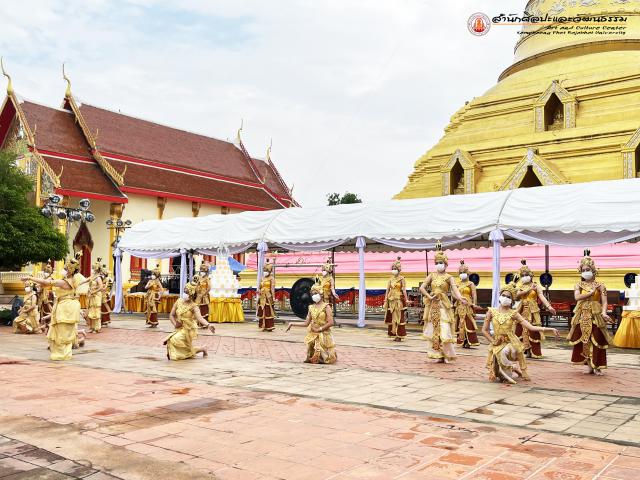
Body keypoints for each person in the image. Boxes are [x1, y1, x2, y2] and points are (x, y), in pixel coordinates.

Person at [482, 282, 559, 384]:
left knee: (502, 352)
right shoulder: (491, 312)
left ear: (512, 300)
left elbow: (530, 327)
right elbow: (484, 330)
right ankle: (512, 370)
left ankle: (511, 367)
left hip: (511, 343)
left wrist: (550, 329)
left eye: (508, 297)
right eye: (503, 295)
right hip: (496, 343)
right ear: (500, 296)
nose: (505, 298)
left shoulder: (514, 314)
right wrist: (493, 341)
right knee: (498, 375)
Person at [22, 253, 84, 360]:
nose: (63, 270)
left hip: (65, 307)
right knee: (61, 330)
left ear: (69, 270)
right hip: (63, 306)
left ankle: (62, 353)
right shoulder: (72, 280)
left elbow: (47, 282)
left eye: (65, 268)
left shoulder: (65, 282)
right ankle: (63, 351)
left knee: (62, 331)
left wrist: (30, 278)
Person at [419, 243, 468, 363]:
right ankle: (437, 353)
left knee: (444, 329)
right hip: (433, 305)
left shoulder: (449, 277)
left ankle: (447, 353)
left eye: (441, 263)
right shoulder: (432, 275)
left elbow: (455, 290)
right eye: (437, 263)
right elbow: (422, 288)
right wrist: (429, 296)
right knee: (433, 328)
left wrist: (461, 298)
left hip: (444, 305)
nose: (438, 265)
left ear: (446, 264)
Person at [567, 250, 613, 375]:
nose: (585, 272)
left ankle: (597, 365)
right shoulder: (578, 285)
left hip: (596, 314)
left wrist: (604, 312)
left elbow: (604, 302)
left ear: (593, 270)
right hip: (582, 315)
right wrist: (590, 293)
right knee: (584, 339)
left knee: (597, 339)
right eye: (583, 270)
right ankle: (588, 365)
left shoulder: (600, 285)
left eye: (587, 269)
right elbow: (577, 298)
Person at [286, 283, 337, 364]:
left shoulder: (326, 307)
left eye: (316, 293)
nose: (314, 296)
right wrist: (292, 324)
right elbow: (306, 323)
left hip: (323, 334)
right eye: (312, 294)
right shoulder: (311, 307)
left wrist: (319, 329)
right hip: (313, 333)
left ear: (321, 293)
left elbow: (331, 322)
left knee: (324, 357)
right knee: (313, 354)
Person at [515, 259, 557, 358]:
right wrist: (528, 290)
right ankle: (526, 350)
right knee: (522, 330)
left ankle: (535, 351)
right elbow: (516, 296)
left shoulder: (536, 285)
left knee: (533, 330)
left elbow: (541, 296)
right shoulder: (520, 286)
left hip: (533, 310)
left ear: (531, 275)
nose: (525, 277)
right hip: (522, 309)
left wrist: (549, 306)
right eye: (523, 275)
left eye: (526, 275)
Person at [164, 280, 215, 360]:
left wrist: (208, 325)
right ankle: (202, 349)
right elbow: (171, 315)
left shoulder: (194, 306)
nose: (185, 294)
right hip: (179, 328)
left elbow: (200, 318)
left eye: (187, 292)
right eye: (184, 291)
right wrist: (175, 324)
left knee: (174, 339)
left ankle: (199, 350)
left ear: (192, 294)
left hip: (188, 329)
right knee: (186, 349)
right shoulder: (179, 301)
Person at [455, 260, 480, 348]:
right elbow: (454, 295)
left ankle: (470, 341)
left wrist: (474, 304)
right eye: (461, 272)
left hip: (468, 305)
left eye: (464, 272)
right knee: (460, 322)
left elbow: (474, 295)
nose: (462, 274)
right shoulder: (457, 284)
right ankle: (462, 340)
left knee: (468, 322)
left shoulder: (471, 283)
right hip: (460, 305)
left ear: (467, 273)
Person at [383, 257, 408, 341]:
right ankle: (394, 332)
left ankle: (399, 335)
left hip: (398, 300)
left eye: (395, 268)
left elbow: (404, 290)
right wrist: (385, 299)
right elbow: (387, 290)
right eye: (393, 268)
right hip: (391, 300)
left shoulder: (402, 278)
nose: (394, 270)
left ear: (399, 269)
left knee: (398, 317)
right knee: (392, 317)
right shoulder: (390, 279)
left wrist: (406, 299)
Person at [256, 260, 276, 331]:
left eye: (266, 270)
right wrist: (258, 292)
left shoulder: (272, 278)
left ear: (270, 271)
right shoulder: (262, 278)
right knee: (262, 311)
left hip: (268, 296)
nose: (265, 271)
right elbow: (259, 287)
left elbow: (272, 289)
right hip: (262, 296)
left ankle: (269, 326)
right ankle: (262, 325)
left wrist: (273, 297)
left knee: (267, 311)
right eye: (264, 270)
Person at [87, 258, 104, 333]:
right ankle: (92, 327)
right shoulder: (93, 276)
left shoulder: (98, 278)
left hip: (96, 295)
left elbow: (101, 287)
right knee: (91, 310)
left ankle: (97, 328)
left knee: (96, 311)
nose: (92, 269)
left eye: (93, 268)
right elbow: (87, 280)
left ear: (96, 270)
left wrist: (94, 292)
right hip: (92, 294)